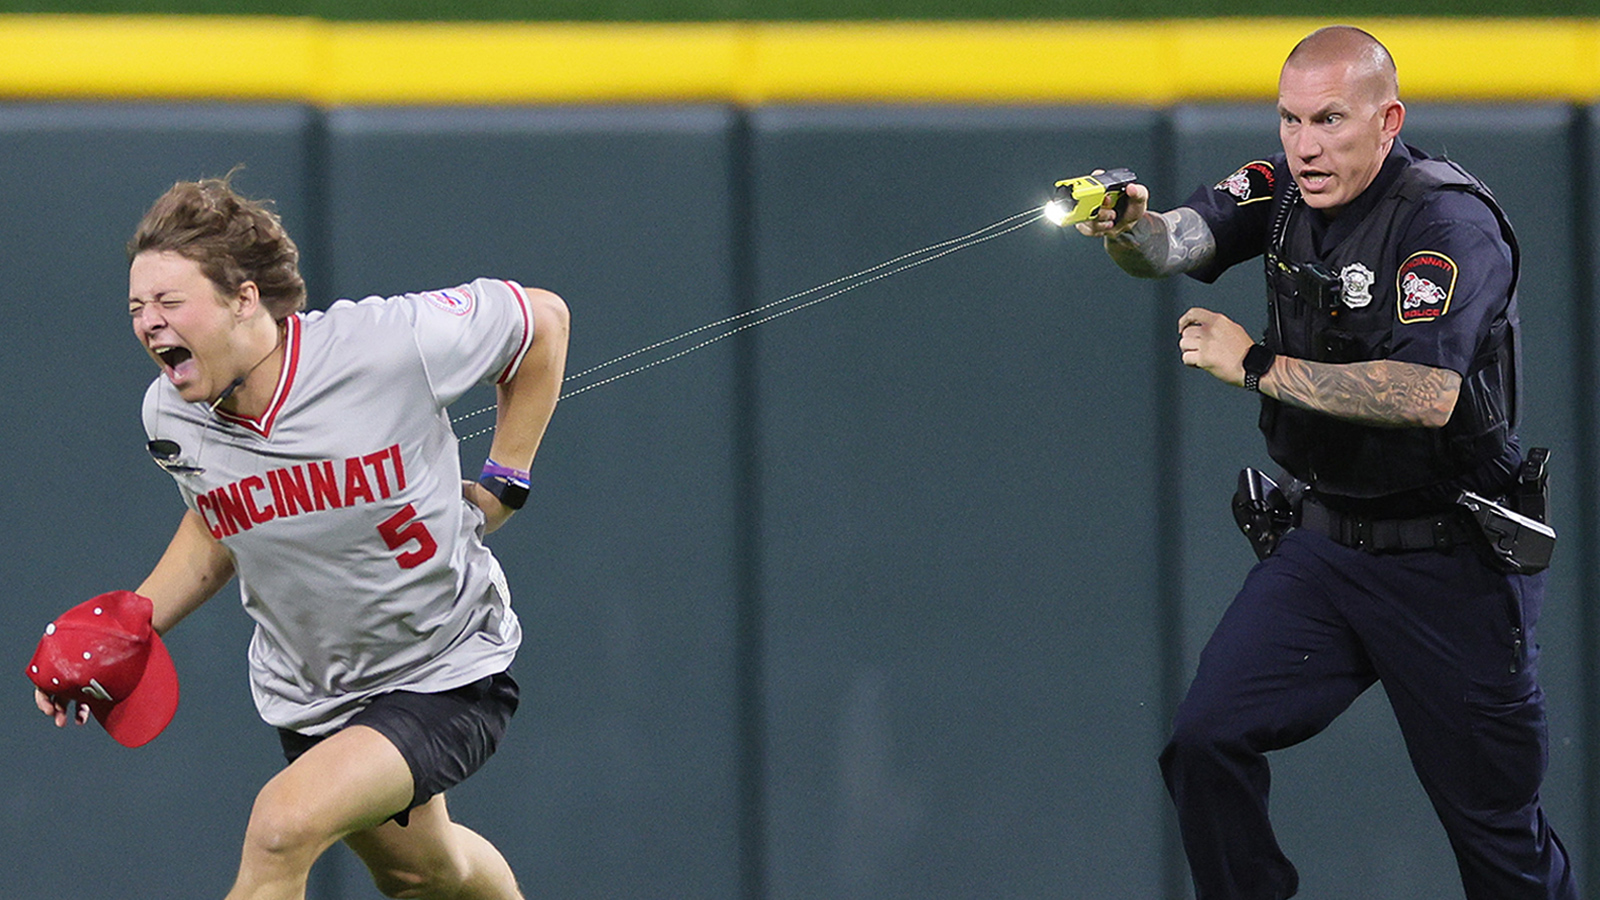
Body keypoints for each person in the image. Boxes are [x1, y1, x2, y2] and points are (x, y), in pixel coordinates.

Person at [1077, 25, 1577, 900]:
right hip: (1327, 544)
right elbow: (1174, 244)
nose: (1305, 144)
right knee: (1205, 738)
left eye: (1331, 120)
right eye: (1290, 119)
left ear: (1388, 121)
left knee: (1500, 844)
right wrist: (1127, 227)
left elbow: (1428, 394)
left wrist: (1259, 365)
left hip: (1450, 559)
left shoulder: (1445, 221)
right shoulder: (1281, 191)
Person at [31, 175, 569, 900]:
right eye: (136, 307)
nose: (148, 323)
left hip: (444, 669)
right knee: (425, 874)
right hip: (315, 695)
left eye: (169, 301)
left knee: (281, 825)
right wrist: (132, 624)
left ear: (244, 297)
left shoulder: (387, 344)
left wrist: (507, 477)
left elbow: (541, 320)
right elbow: (221, 523)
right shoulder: (170, 416)